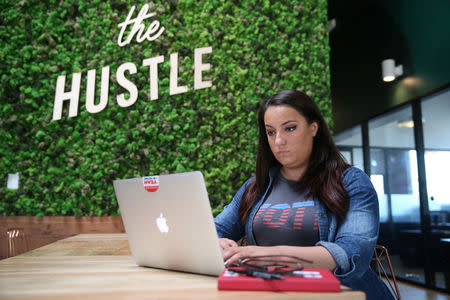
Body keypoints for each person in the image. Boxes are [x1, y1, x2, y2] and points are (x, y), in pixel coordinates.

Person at [214, 90, 394, 300]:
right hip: (272, 295)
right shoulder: (255, 187)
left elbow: (350, 254)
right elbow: (217, 228)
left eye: (289, 128)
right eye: (271, 132)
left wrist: (265, 255)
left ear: (313, 128)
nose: (279, 141)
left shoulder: (352, 182)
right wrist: (217, 242)